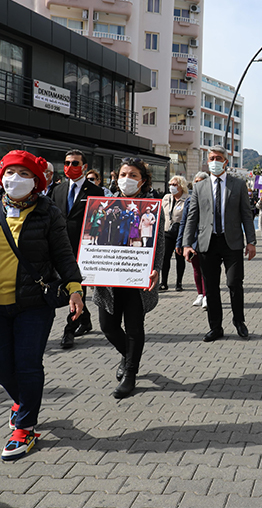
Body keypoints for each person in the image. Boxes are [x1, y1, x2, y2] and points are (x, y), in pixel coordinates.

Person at [0, 150, 84, 460]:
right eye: (11, 172)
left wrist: (75, 289)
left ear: (37, 181)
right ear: (1, 175)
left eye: (25, 173)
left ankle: (25, 426)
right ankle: (24, 401)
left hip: (33, 304)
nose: (16, 179)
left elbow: (63, 255)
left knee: (28, 365)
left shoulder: (49, 213)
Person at [95, 159, 164, 399]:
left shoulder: (152, 206)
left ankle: (131, 374)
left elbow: (159, 242)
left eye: (133, 174)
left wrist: (156, 268)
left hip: (137, 277)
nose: (127, 178)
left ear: (142, 180)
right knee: (108, 326)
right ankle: (127, 354)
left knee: (134, 327)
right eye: (123, 174)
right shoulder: (104, 204)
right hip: (108, 277)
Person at [183, 145, 256, 341]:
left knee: (234, 283)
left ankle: (239, 321)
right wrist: (187, 244)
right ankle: (215, 327)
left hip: (232, 242)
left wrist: (251, 241)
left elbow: (246, 215)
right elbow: (192, 217)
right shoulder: (199, 186)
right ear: (208, 161)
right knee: (211, 287)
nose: (214, 161)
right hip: (207, 243)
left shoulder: (238, 185)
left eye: (218, 158)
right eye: (211, 158)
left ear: (225, 161)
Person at [51, 149, 104, 348]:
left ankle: (69, 330)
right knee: (68, 289)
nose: (70, 167)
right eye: (67, 163)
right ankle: (85, 318)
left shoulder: (96, 192)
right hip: (62, 249)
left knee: (77, 289)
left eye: (75, 163)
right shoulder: (58, 190)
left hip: (85, 250)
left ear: (84, 167)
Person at [177, 172, 209, 308]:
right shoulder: (189, 201)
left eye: (200, 181)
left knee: (207, 269)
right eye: (195, 181)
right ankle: (200, 294)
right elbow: (184, 223)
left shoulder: (211, 199)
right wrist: (181, 242)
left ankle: (207, 295)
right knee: (196, 268)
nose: (197, 184)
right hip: (193, 240)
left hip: (207, 239)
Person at [161, 176, 188, 291]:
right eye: (170, 184)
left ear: (181, 186)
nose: (172, 187)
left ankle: (179, 283)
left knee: (179, 258)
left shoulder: (187, 199)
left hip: (180, 232)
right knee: (165, 258)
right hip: (167, 231)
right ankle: (164, 282)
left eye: (175, 184)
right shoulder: (167, 198)